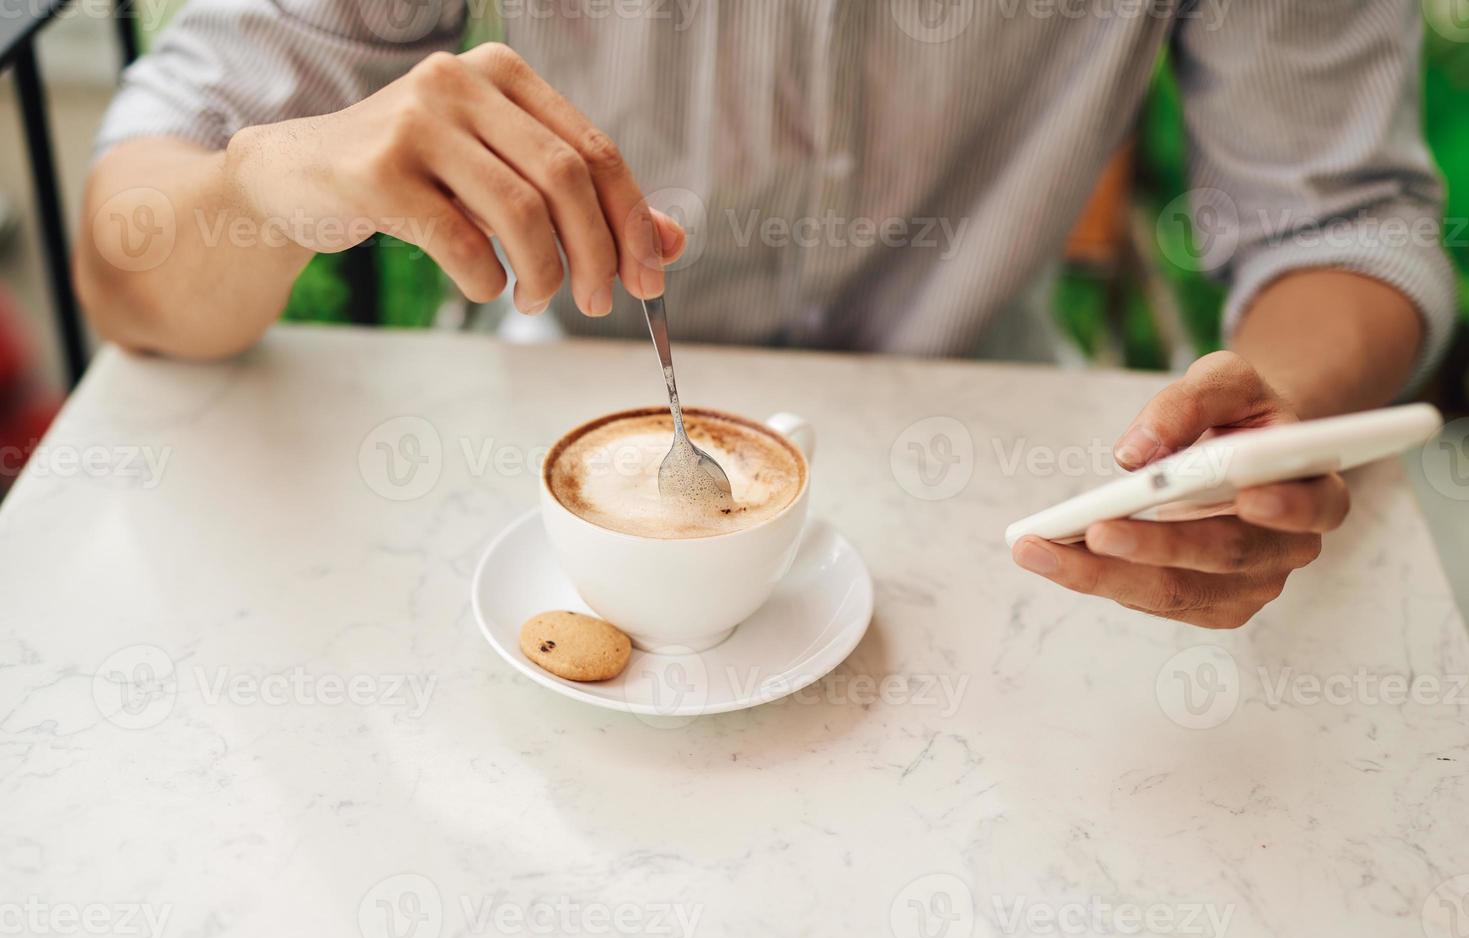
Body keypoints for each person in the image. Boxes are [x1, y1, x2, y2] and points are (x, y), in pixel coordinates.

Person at [76, 0, 1457, 628]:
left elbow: (1339, 222)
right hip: (541, 422)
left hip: (1012, 493)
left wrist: (1280, 405)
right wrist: (266, 181)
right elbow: (126, 264)